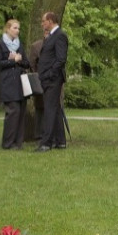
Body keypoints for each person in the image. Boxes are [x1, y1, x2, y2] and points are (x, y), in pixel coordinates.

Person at [0, 19, 30, 150]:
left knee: (21, 112)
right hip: (8, 83)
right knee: (13, 111)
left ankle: (18, 143)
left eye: (18, 28)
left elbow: (27, 63)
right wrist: (13, 61)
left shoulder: (20, 45)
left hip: (20, 83)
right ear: (7, 29)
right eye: (15, 28)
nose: (17, 31)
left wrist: (19, 60)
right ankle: (8, 143)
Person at [35, 11, 69, 152]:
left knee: (49, 109)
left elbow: (61, 59)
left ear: (50, 21)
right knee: (55, 109)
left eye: (43, 21)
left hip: (53, 79)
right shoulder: (51, 36)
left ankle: (46, 143)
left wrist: (50, 74)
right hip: (48, 78)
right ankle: (60, 141)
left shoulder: (60, 36)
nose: (42, 24)